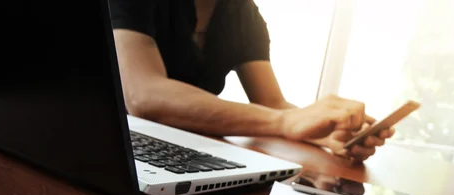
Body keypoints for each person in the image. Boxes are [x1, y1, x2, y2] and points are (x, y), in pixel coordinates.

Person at [109, 0, 395, 162]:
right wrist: (286, 123)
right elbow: (142, 95)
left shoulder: (243, 14)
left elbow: (272, 102)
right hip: (114, 149)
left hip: (179, 153)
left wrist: (325, 132)